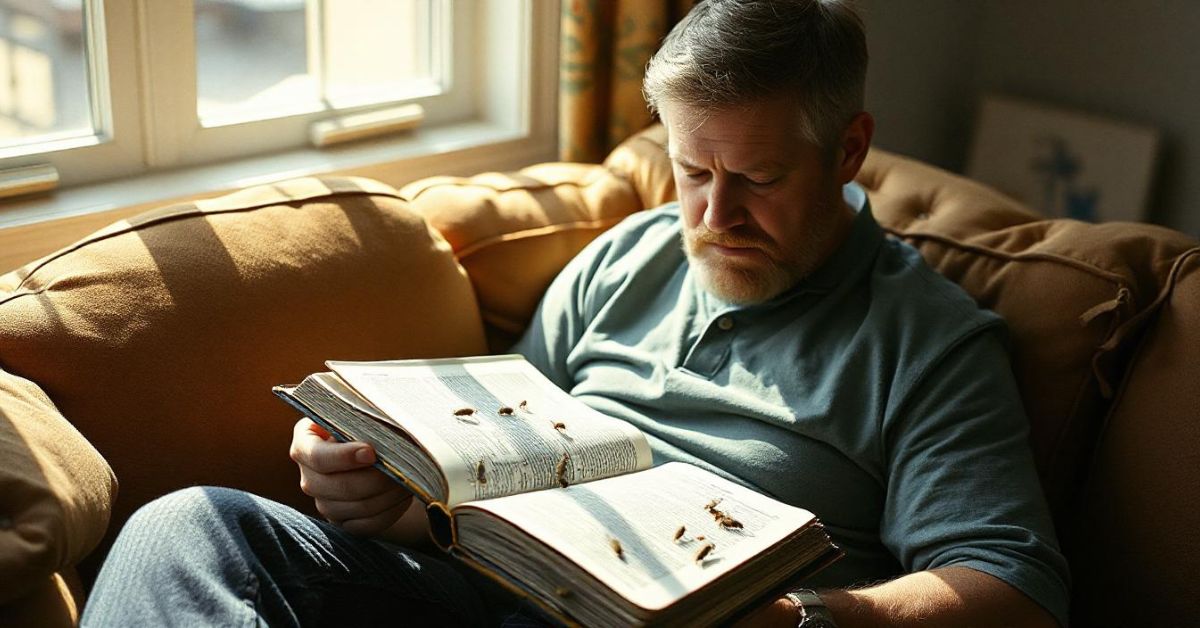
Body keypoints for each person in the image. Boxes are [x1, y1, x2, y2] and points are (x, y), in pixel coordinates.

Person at [82, 1, 1069, 626]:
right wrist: (404, 508)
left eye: (759, 179)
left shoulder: (929, 341)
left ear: (849, 151)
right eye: (692, 171)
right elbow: (514, 470)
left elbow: (1016, 588)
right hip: (482, 600)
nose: (715, 218)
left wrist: (805, 616)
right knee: (187, 528)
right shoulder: (629, 255)